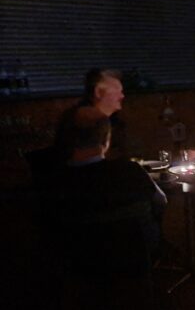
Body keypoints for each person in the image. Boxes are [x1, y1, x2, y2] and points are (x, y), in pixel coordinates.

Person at [57, 107, 166, 275]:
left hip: (81, 263)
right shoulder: (131, 171)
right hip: (137, 255)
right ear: (106, 139)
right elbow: (161, 202)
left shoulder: (56, 181)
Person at [54, 68, 126, 161]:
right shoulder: (78, 121)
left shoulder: (116, 124)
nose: (122, 96)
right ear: (98, 92)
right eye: (117, 90)